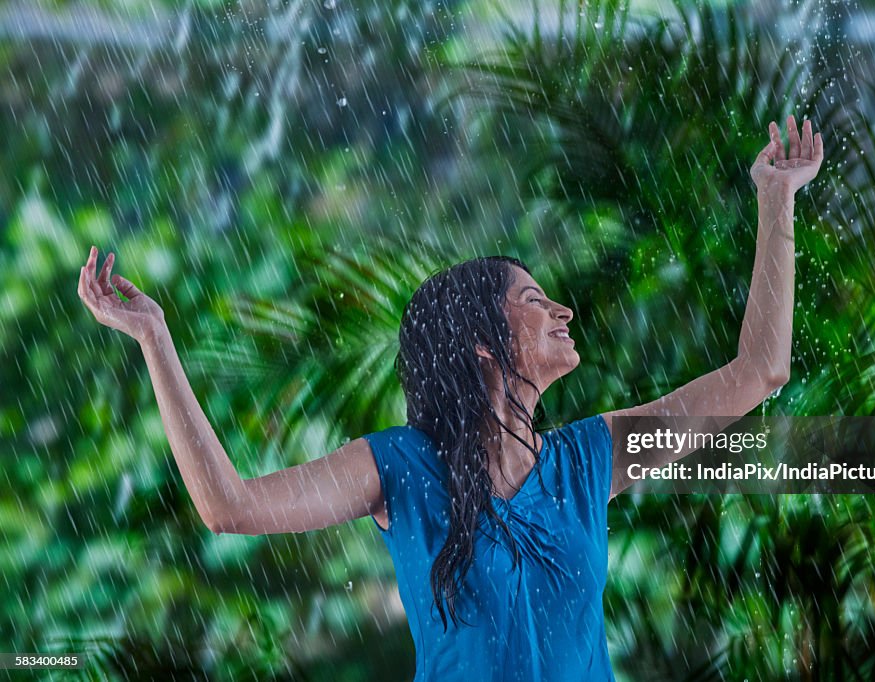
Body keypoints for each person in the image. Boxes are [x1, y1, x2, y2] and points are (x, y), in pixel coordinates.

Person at [77, 115, 823, 681]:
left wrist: (775, 198)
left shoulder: (589, 458)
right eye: (534, 299)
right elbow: (229, 506)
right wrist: (155, 340)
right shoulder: (400, 468)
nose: (562, 310)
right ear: (482, 344)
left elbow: (760, 372)